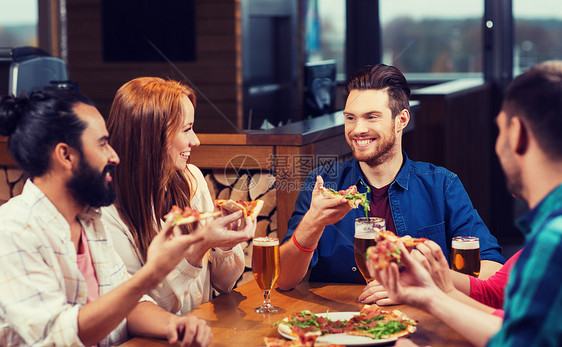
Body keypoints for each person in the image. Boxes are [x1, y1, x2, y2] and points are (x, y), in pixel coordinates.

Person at [0, 87, 239, 346]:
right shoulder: (13, 230)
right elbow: (59, 336)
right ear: (65, 155)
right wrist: (153, 272)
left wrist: (175, 324)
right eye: (102, 144)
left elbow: (130, 304)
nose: (114, 156)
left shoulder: (88, 221)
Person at [371, 60, 562, 346]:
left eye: (500, 131)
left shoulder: (553, 240)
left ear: (518, 133)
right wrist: (432, 294)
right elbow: (512, 325)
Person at [277, 64, 504, 291]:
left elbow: (492, 269)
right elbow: (284, 280)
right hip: (341, 321)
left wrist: (417, 286)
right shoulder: (323, 184)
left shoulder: (442, 185)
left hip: (422, 319)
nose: (357, 129)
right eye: (351, 118)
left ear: (401, 120)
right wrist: (312, 223)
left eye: (371, 117)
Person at [102, 77, 254, 314]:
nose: (196, 140)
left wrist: (226, 243)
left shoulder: (191, 179)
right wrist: (200, 246)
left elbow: (224, 284)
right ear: (151, 138)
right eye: (187, 129)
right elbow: (141, 310)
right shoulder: (107, 212)